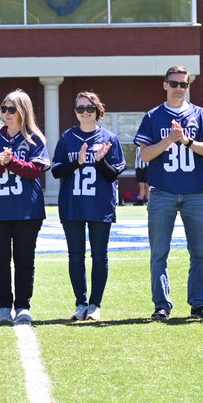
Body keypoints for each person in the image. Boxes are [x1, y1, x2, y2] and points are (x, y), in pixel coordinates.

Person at [134, 67, 203, 321]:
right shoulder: (153, 116)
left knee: (200, 252)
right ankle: (162, 305)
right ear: (165, 85)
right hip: (163, 193)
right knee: (159, 252)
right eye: (174, 83)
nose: (179, 88)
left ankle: (199, 304)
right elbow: (145, 155)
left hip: (195, 193)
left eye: (183, 84)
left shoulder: (199, 114)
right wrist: (169, 140)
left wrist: (187, 141)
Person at [0, 89, 49, 325]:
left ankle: (23, 306)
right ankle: (3, 306)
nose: (6, 114)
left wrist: (13, 162)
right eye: (4, 109)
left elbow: (35, 171)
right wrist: (0, 162)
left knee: (24, 259)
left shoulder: (35, 139)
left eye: (12, 109)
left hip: (27, 210)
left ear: (23, 111)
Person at [51, 91, 124, 322]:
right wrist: (77, 162)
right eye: (80, 108)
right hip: (73, 204)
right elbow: (56, 171)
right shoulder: (67, 137)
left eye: (89, 108)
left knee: (99, 255)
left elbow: (113, 176)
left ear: (97, 111)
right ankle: (80, 303)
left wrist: (100, 161)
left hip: (100, 204)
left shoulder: (109, 138)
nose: (84, 112)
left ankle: (95, 304)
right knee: (75, 256)